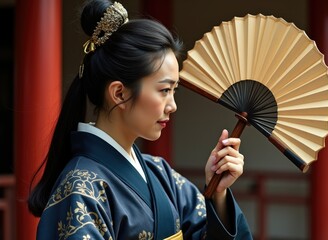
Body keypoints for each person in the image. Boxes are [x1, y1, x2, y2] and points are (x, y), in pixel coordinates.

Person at [28, 1, 252, 239]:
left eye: (174, 90)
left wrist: (217, 193)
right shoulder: (80, 189)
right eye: (164, 90)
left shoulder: (160, 173)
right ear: (119, 93)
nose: (173, 106)